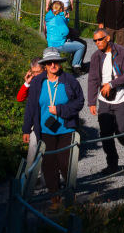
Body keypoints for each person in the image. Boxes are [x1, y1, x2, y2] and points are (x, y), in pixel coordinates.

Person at [23, 49, 83, 201]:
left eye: (55, 61)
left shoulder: (70, 80)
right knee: (48, 164)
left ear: (60, 63)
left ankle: (70, 195)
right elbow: (30, 106)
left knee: (65, 162)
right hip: (45, 129)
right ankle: (54, 198)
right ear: (45, 65)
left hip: (66, 127)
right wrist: (26, 128)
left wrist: (61, 109)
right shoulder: (37, 82)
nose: (52, 65)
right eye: (49, 63)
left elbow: (79, 102)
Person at [87, 30, 124, 175]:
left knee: (121, 131)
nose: (97, 43)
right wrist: (92, 102)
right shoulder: (96, 56)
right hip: (104, 100)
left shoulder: (122, 53)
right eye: (95, 41)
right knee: (105, 133)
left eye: (100, 40)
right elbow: (92, 79)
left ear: (108, 38)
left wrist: (111, 84)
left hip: (121, 98)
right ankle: (112, 164)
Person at [45, 0, 86, 72]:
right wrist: (66, 18)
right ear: (61, 9)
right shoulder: (59, 18)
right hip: (59, 45)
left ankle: (72, 63)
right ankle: (76, 65)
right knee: (81, 46)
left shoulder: (49, 17)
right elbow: (66, 32)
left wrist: (65, 19)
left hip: (50, 44)